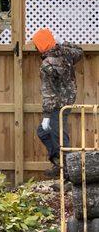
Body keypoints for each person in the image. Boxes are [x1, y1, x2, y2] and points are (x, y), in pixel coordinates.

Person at [32, 28, 83, 178]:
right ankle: (58, 162)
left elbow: (48, 92)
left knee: (60, 137)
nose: (35, 48)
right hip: (68, 100)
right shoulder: (67, 53)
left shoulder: (47, 64)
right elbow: (79, 50)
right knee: (45, 132)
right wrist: (63, 43)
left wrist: (47, 115)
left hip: (56, 105)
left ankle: (68, 174)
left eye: (36, 44)